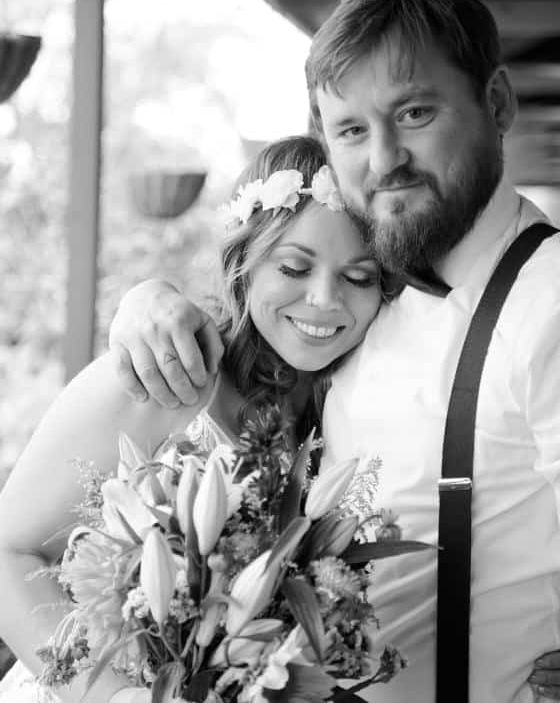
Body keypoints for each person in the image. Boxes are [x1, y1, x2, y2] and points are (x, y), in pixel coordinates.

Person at [108, 0, 560, 703]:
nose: (382, 160)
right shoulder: (369, 288)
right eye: (352, 129)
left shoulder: (548, 300)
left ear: (498, 103)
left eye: (414, 113)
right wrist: (146, 298)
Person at [0, 135, 383, 703]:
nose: (325, 299)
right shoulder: (165, 372)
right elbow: (6, 555)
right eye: (295, 267)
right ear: (244, 262)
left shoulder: (351, 398)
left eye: (359, 277)